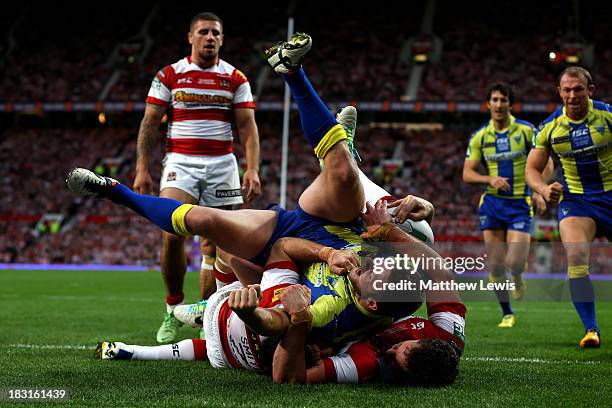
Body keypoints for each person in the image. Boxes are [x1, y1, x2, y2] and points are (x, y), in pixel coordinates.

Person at [96, 203, 463, 387]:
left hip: (294, 312)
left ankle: (218, 302)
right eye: (400, 348)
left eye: (394, 359)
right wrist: (388, 232)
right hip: (330, 272)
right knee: (421, 232)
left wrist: (298, 322)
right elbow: (438, 269)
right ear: (426, 337)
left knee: (229, 256)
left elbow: (289, 377)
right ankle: (346, 154)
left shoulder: (368, 361)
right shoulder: (448, 334)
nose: (390, 350)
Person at [133, 12, 261, 343]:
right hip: (181, 163)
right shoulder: (170, 75)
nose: (209, 37)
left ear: (222, 39)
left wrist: (253, 168)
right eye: (203, 32)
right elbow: (150, 123)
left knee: (224, 244)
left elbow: (247, 127)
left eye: (215, 33)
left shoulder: (235, 78)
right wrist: (142, 168)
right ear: (190, 37)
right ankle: (172, 307)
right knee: (172, 233)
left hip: (222, 165)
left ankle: (208, 314)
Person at [525, 66, 611, 348]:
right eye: (567, 89)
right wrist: (543, 188)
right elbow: (532, 170)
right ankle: (591, 329)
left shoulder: (607, 116)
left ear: (590, 90)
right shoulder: (549, 127)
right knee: (576, 257)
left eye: (578, 89)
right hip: (577, 201)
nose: (573, 95)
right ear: (559, 92)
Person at [463, 83, 551, 328]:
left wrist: (539, 189)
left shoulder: (526, 131)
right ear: (488, 104)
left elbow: (547, 163)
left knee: (513, 262)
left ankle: (519, 276)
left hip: (520, 203)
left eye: (503, 100)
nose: (499, 104)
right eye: (495, 99)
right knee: (495, 264)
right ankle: (507, 313)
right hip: (491, 203)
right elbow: (467, 173)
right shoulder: (480, 136)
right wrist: (489, 178)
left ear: (511, 104)